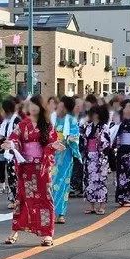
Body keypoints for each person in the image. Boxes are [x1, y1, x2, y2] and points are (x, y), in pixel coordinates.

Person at [2, 95, 62, 247]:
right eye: (31, 105)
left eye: (36, 105)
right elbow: (15, 139)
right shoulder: (22, 125)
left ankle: (47, 233)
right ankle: (15, 230)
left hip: (41, 168)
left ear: (42, 107)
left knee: (45, 199)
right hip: (26, 168)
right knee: (21, 198)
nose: (33, 108)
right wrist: (12, 145)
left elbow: (51, 143)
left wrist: (53, 146)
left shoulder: (48, 125)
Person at [52, 96, 81, 224]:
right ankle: (50, 212)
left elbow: (75, 137)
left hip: (65, 156)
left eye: (62, 106)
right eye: (59, 105)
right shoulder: (52, 119)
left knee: (63, 184)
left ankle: (61, 213)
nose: (60, 108)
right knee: (50, 184)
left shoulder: (72, 121)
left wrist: (68, 138)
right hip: (52, 155)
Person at [82, 105, 111, 215]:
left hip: (100, 157)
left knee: (101, 181)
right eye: (92, 113)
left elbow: (107, 143)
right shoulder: (88, 126)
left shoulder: (104, 127)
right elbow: (85, 141)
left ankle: (102, 204)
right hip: (90, 156)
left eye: (96, 113)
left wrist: (99, 140)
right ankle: (91, 205)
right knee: (89, 181)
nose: (94, 116)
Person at [0, 98, 21, 208]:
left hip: (15, 151)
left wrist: (5, 138)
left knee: (15, 175)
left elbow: (17, 136)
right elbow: (6, 135)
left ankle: (18, 199)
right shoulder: (6, 122)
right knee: (10, 175)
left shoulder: (17, 120)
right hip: (6, 150)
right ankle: (13, 198)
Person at [70, 97, 85, 198]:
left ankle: (79, 187)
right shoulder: (68, 118)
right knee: (72, 166)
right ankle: (71, 187)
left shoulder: (84, 118)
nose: (78, 107)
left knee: (79, 166)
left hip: (82, 145)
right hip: (70, 145)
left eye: (80, 105)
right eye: (77, 105)